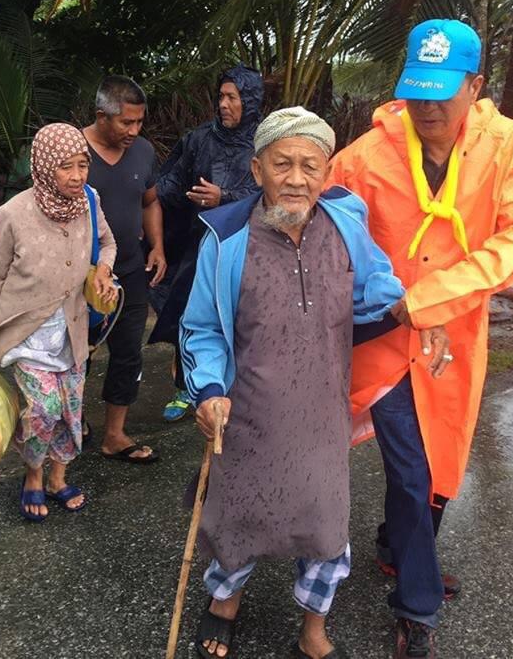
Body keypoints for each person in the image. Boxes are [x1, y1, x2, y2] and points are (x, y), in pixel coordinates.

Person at [328, 19, 513, 658]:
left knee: (441, 466)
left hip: (450, 334)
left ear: (475, 86)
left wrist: (424, 302)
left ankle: (397, 547)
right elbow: (320, 224)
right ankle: (416, 607)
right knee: (413, 467)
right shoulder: (365, 156)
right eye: (416, 92)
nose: (427, 108)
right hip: (380, 337)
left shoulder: (509, 148)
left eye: (442, 93)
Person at [180, 107, 404, 659]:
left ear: (327, 173)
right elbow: (202, 327)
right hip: (249, 415)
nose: (297, 178)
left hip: (322, 416)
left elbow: (379, 287)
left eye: (310, 165)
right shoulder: (226, 239)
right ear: (257, 170)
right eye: (283, 164)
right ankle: (224, 603)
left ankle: (313, 630)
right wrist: (208, 392)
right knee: (238, 518)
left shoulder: (347, 227)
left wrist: (421, 311)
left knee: (325, 527)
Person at [0, 123, 118, 521]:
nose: (77, 176)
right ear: (45, 167)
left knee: (70, 410)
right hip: (27, 332)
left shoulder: (88, 203)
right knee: (43, 409)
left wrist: (104, 271)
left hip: (73, 329)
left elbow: (109, 243)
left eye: (83, 165)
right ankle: (32, 475)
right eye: (66, 167)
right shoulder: (12, 214)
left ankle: (58, 479)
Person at [151, 64, 264, 422]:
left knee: (244, 317)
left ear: (250, 100)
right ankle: (188, 385)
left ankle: (242, 386)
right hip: (199, 245)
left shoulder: (266, 141)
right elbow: (169, 185)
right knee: (192, 315)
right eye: (221, 97)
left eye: (232, 97)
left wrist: (226, 197)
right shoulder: (199, 139)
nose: (224, 105)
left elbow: (270, 194)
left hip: (249, 248)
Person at [82, 75, 166, 463]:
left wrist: (158, 247)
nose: (134, 131)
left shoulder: (143, 151)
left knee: (128, 351)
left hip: (130, 270)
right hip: (79, 277)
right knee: (75, 352)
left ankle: (114, 434)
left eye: (139, 122)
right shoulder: (74, 151)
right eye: (125, 123)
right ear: (102, 116)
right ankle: (74, 420)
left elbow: (150, 202)